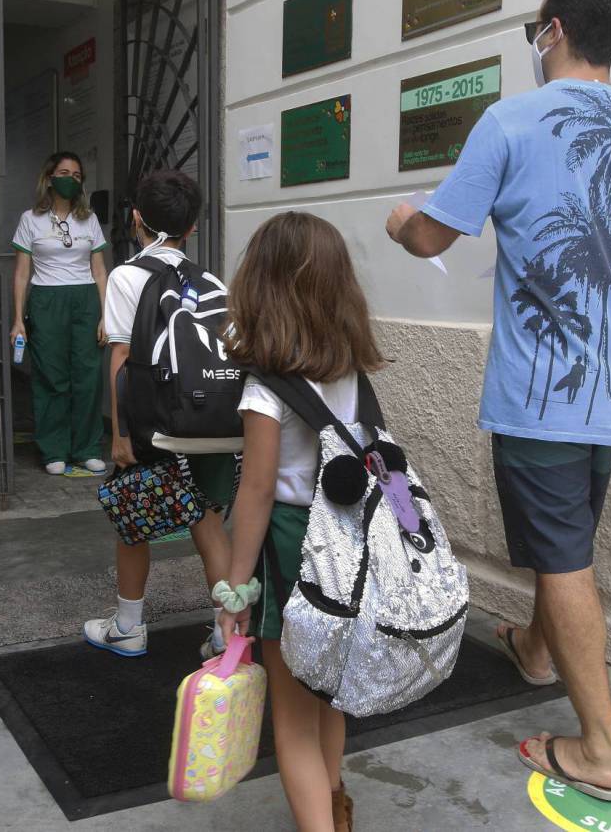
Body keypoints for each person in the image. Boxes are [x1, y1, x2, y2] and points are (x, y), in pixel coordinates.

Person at [386, 0, 611, 802]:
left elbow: (428, 237)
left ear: (553, 29)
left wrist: (398, 220)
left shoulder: (510, 119)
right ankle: (534, 651)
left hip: (545, 393)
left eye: (536, 25)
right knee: (567, 539)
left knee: (562, 557)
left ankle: (601, 748)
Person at [218, 212, 382, 832]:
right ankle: (335, 807)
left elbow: (257, 492)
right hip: (349, 543)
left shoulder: (267, 388)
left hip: (292, 549)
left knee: (289, 721)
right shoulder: (349, 372)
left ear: (261, 285)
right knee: (328, 697)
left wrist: (234, 589)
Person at [83, 169, 233, 659]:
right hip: (209, 423)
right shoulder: (210, 280)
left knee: (133, 520)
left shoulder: (128, 275)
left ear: (136, 219)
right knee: (208, 523)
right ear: (190, 228)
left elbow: (122, 357)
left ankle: (128, 627)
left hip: (152, 425)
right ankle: (223, 633)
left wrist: (119, 432)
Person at [10, 151, 107, 475]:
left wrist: (107, 315)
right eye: (64, 172)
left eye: (77, 175)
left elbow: (99, 271)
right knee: (52, 377)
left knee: (88, 376)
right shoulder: (30, 219)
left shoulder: (88, 219)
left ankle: (87, 447)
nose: (71, 178)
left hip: (84, 299)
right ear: (49, 178)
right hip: (46, 300)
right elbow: (22, 273)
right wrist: (18, 319)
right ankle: (54, 449)